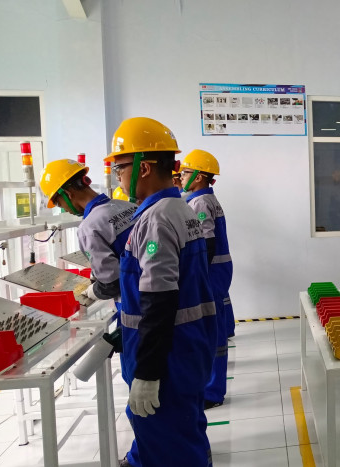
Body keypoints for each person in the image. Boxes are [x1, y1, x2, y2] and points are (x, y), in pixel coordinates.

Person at [106, 117, 216, 467]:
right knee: (183, 435)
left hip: (168, 358)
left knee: (172, 448)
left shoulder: (156, 220)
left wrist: (148, 373)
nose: (118, 176)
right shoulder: (180, 209)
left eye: (120, 167)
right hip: (186, 349)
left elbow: (160, 301)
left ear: (145, 167)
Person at [39, 159, 137, 378]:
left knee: (138, 371)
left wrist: (92, 292)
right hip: (161, 297)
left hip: (133, 304)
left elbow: (111, 284)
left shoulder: (89, 226)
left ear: (68, 193)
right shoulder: (128, 207)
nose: (63, 208)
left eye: (58, 202)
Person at [179, 149, 234, 409]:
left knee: (213, 333)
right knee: (216, 329)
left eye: (186, 173)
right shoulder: (204, 198)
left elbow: (207, 243)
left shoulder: (199, 202)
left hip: (212, 272)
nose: (180, 176)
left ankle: (212, 391)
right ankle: (212, 387)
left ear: (199, 177)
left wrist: (195, 275)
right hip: (218, 272)